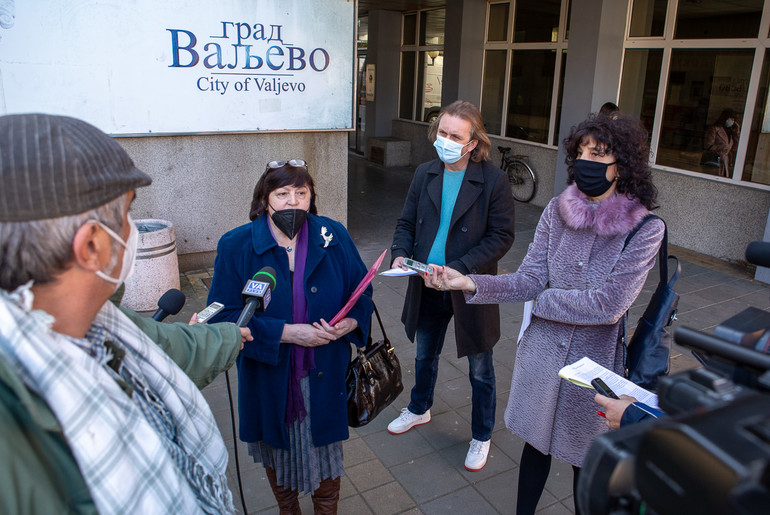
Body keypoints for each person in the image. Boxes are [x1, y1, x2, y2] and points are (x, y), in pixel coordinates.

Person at [0, 113, 251, 514]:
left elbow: (169, 346)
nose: (133, 231)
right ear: (92, 247)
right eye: (128, 215)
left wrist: (227, 337)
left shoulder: (99, 319)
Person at [426, 113, 665, 513]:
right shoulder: (557, 210)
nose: (588, 161)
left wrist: (543, 300)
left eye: (600, 153)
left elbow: (609, 305)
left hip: (594, 368)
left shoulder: (644, 229)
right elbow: (530, 277)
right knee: (534, 451)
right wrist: (467, 282)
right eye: (583, 152)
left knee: (584, 463)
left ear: (623, 163)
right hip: (542, 358)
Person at [206, 159, 373, 514]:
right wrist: (287, 333)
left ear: (311, 197)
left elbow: (362, 291)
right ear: (265, 199)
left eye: (301, 192)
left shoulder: (333, 236)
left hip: (324, 374)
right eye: (282, 194)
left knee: (327, 468)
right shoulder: (237, 245)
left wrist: (351, 324)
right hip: (271, 377)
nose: (293, 201)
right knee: (279, 462)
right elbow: (221, 316)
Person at [387, 100, 516, 472]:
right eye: (441, 133)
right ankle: (419, 407)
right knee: (424, 353)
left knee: (480, 367)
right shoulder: (425, 173)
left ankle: (481, 434)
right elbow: (405, 222)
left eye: (454, 136)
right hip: (426, 282)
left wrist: (459, 269)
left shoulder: (494, 181)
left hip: (468, 286)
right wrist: (400, 252)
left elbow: (501, 237)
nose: (445, 140)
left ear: (473, 142)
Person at [704, 108, 740, 178]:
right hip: (714, 159)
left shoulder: (730, 131)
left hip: (725, 161)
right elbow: (708, 145)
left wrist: (736, 132)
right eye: (731, 119)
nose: (732, 121)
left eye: (734, 120)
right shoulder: (715, 129)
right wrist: (722, 148)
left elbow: (735, 147)